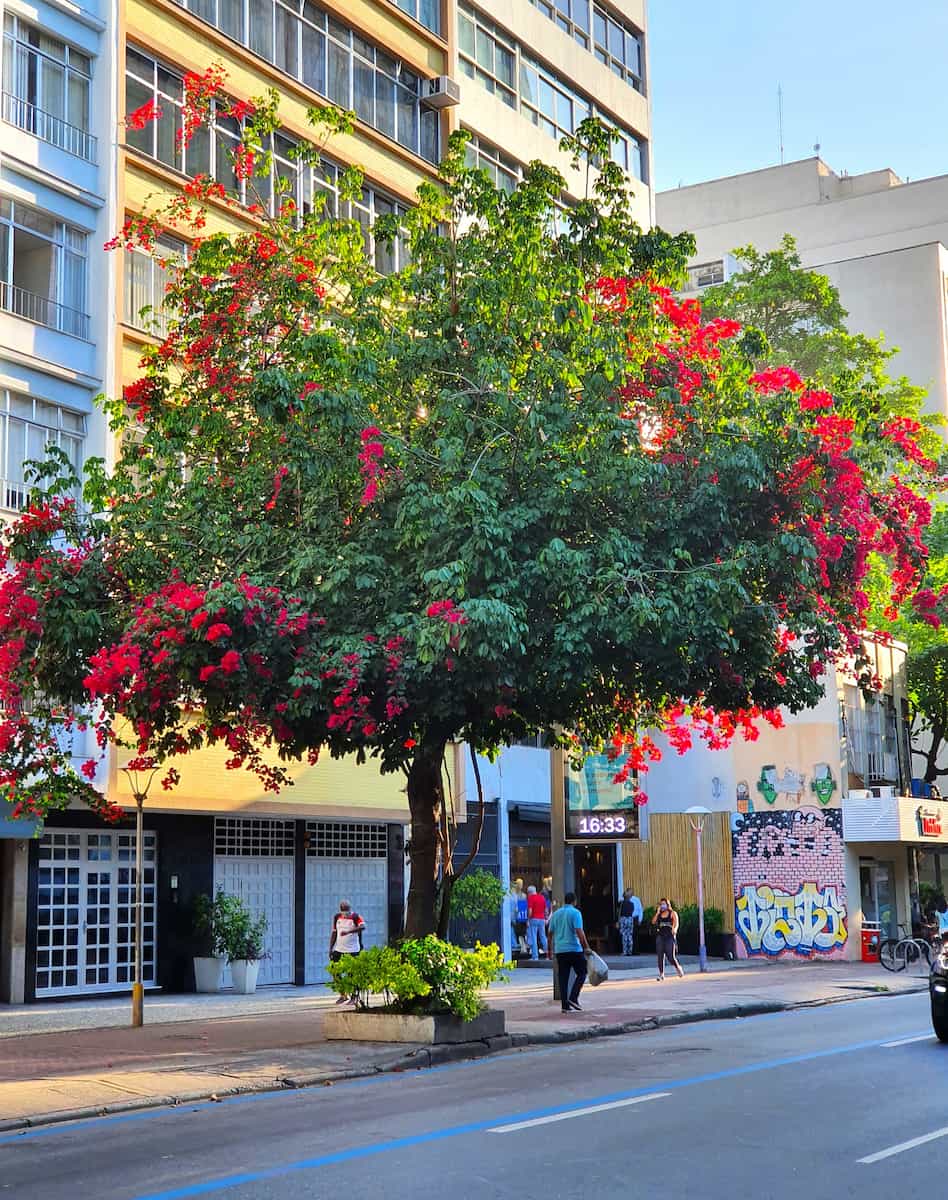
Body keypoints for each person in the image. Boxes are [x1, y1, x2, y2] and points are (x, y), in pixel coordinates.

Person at [547, 891, 589, 1012]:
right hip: (574, 949)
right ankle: (573, 997)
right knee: (582, 972)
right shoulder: (576, 913)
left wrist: (549, 950)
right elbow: (579, 932)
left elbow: (550, 934)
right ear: (574, 901)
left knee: (563, 977)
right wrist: (586, 947)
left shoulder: (556, 914)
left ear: (565, 901)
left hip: (560, 950)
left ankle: (565, 1006)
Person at [329, 899, 366, 1005]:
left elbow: (363, 927)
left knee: (352, 974)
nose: (345, 912)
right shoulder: (337, 917)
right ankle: (343, 994)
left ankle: (354, 997)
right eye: (343, 910)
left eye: (347, 909)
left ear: (350, 908)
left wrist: (349, 932)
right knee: (334, 971)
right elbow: (334, 933)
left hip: (353, 950)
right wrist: (330, 948)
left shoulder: (355, 917)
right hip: (339, 949)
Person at [652, 898, 685, 981]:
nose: (662, 906)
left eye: (664, 904)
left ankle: (678, 968)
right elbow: (653, 922)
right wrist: (657, 912)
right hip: (660, 936)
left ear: (667, 905)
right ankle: (661, 974)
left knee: (670, 956)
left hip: (669, 936)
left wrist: (675, 929)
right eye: (661, 904)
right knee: (660, 956)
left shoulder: (672, 913)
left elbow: (676, 923)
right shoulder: (659, 914)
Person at [526, 884, 548, 960]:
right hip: (542, 919)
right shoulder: (542, 897)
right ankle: (549, 954)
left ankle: (535, 957)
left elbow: (530, 911)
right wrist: (546, 918)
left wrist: (528, 919)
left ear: (529, 892)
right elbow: (546, 910)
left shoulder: (530, 898)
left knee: (534, 938)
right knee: (543, 937)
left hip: (534, 919)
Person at [619, 888, 643, 956]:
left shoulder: (634, 900)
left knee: (628, 936)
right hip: (629, 919)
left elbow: (639, 909)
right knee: (627, 936)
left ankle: (630, 951)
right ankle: (627, 951)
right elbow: (620, 912)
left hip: (631, 918)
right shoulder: (624, 903)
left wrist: (639, 919)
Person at [511, 879, 529, 956]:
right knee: (516, 932)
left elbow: (525, 906)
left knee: (521, 932)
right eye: (519, 884)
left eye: (522, 884)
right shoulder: (513, 895)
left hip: (522, 916)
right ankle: (518, 946)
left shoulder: (524, 895)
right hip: (514, 916)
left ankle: (522, 947)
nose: (521, 885)